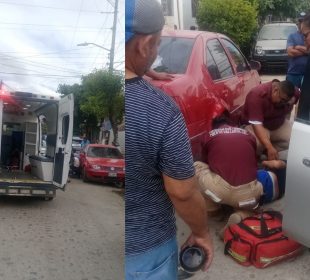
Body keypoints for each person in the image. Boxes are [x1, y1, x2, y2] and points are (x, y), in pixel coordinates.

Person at [125, 1, 213, 279]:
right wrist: (200, 233)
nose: (156, 52)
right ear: (145, 44)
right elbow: (182, 191)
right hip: (148, 253)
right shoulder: (161, 109)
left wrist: (147, 72)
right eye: (158, 43)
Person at [194, 115, 286, 234]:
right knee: (251, 206)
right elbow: (253, 157)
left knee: (197, 166)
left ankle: (214, 211)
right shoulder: (248, 135)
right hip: (250, 195)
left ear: (215, 127)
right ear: (232, 125)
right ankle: (242, 215)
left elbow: (206, 161)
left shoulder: (209, 135)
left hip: (219, 192)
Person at [242, 80, 299, 160]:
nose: (283, 103)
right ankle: (257, 158)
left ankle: (267, 152)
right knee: (257, 144)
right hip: (258, 126)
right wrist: (269, 147)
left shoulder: (293, 92)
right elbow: (257, 126)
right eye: (282, 100)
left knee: (294, 139)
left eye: (286, 101)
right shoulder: (256, 95)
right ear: (275, 90)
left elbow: (298, 97)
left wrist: (292, 101)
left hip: (278, 123)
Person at [286, 12, 309, 88]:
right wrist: (306, 51)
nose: (300, 23)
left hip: (307, 73)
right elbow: (290, 53)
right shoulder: (292, 36)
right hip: (293, 73)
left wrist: (298, 47)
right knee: (291, 97)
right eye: (299, 21)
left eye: (302, 21)